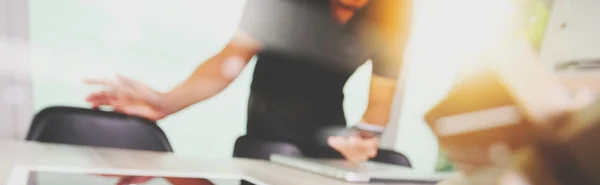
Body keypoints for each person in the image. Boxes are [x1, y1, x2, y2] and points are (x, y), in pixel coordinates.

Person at [85, 0, 412, 162]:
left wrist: (364, 138)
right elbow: (229, 61)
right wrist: (165, 103)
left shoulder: (396, 13)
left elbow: (381, 98)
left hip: (328, 139)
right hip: (264, 133)